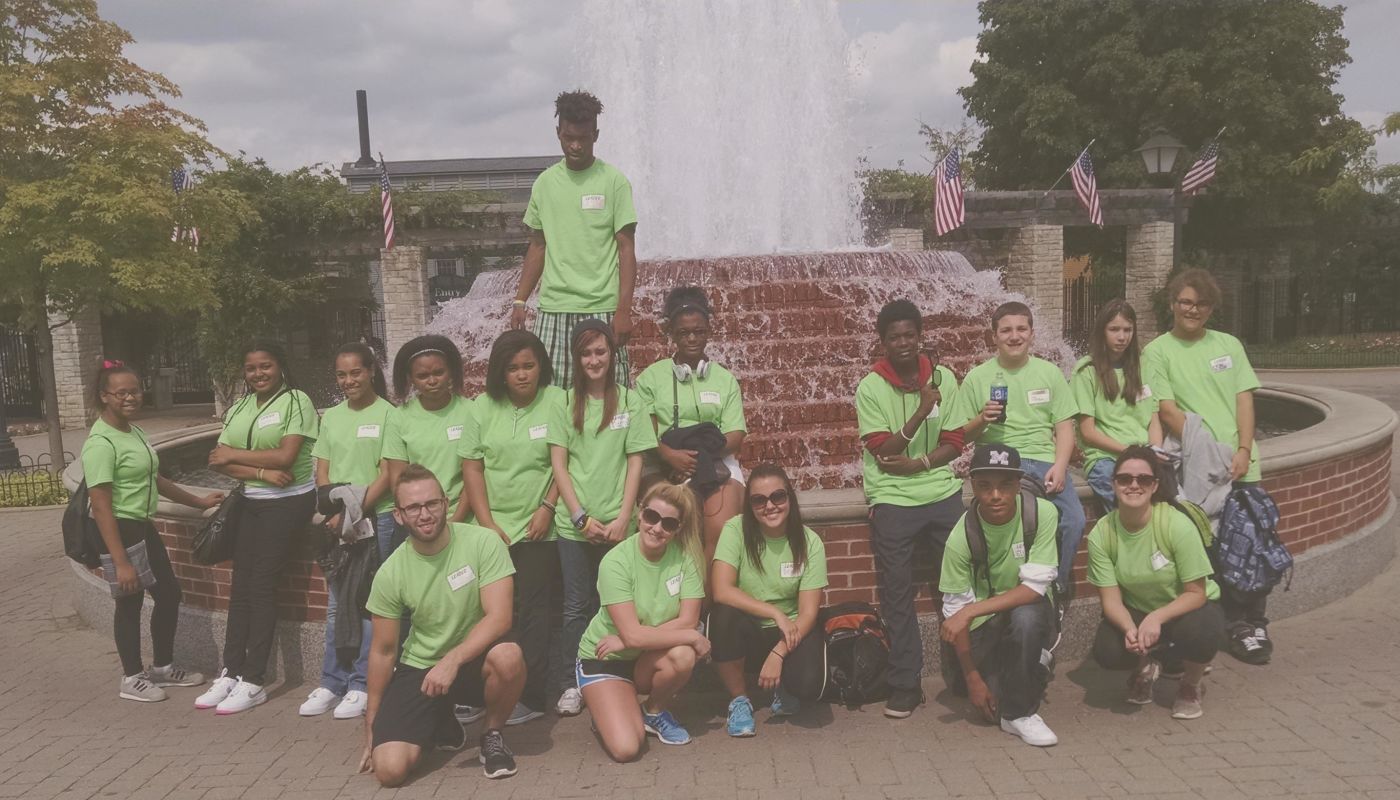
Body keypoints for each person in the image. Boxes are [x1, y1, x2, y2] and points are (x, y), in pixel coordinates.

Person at [359, 465, 525, 786]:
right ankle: (440, 721)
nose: (425, 514)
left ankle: (491, 735)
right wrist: (371, 721)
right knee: (390, 771)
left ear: (446, 504)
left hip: (475, 658)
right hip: (421, 665)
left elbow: (500, 617)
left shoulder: (483, 542)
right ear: (398, 516)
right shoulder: (390, 573)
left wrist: (453, 659)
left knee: (509, 656)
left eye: (432, 503)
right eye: (413, 507)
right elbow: (383, 651)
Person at [1143, 268, 1268, 663]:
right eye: (1185, 302)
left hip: (1241, 463)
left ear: (1211, 308)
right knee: (1211, 549)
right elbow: (1166, 409)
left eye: (1201, 304)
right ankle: (1231, 626)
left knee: (1251, 543)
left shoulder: (1229, 345)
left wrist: (1243, 449)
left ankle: (1255, 623)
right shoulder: (1157, 351)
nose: (1192, 310)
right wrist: (1214, 453)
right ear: (1172, 304)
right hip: (1202, 469)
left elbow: (1244, 399)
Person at [81, 360, 222, 702]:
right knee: (129, 600)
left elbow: (154, 479)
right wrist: (121, 562)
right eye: (121, 393)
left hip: (141, 525)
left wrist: (198, 501)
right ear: (104, 396)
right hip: (119, 528)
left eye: (135, 391)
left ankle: (162, 667)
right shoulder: (100, 443)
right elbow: (100, 506)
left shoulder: (133, 432)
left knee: (169, 594)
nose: (130, 398)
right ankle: (131, 678)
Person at [855, 299, 965, 718]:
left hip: (940, 490)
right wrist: (921, 410)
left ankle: (964, 669)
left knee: (960, 583)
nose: (903, 343)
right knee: (897, 592)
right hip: (891, 497)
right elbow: (884, 451)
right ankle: (906, 682)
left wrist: (919, 463)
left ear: (920, 336)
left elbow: (954, 442)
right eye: (894, 337)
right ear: (882, 342)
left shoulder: (945, 378)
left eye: (909, 335)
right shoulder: (870, 388)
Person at [196, 341, 319, 714]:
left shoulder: (297, 401)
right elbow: (217, 461)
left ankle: (254, 680)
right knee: (241, 587)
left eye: (265, 366)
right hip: (252, 500)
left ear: (279, 366)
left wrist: (236, 455)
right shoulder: (239, 407)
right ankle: (231, 671)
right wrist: (262, 473)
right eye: (251, 368)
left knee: (262, 585)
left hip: (289, 502)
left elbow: (287, 456)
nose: (258, 373)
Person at [548, 319, 656, 717]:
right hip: (574, 526)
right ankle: (571, 681)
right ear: (576, 359)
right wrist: (580, 518)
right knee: (576, 605)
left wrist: (625, 517)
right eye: (586, 353)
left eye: (600, 352)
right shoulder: (563, 403)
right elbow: (559, 465)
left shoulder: (630, 402)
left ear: (612, 355)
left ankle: (615, 674)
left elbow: (636, 462)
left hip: (619, 524)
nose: (594, 360)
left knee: (616, 601)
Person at [461, 330, 564, 726]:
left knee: (535, 613)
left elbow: (566, 461)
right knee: (481, 611)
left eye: (529, 366)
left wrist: (547, 508)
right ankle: (476, 691)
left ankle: (531, 697)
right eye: (513, 368)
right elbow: (472, 468)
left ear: (541, 367)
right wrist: (487, 524)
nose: (522, 375)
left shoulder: (557, 401)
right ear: (500, 372)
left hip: (538, 528)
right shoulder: (481, 407)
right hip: (490, 531)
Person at [946, 302, 1085, 593]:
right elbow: (961, 435)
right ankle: (1003, 590)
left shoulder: (1049, 373)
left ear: (1032, 334)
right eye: (1006, 330)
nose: (1014, 336)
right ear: (994, 336)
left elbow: (1064, 427)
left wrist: (1061, 466)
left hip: (1044, 461)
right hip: (998, 462)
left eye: (1021, 329)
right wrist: (982, 419)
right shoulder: (977, 378)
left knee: (1074, 520)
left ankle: (1053, 589)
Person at [510, 89, 638, 387]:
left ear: (596, 135)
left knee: (610, 395)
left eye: (584, 138)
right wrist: (520, 300)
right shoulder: (544, 184)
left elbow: (626, 248)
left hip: (602, 307)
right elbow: (538, 246)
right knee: (551, 395)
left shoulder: (614, 182)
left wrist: (623, 310)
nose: (576, 145)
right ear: (558, 133)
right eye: (569, 138)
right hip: (554, 308)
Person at [1087, 446, 1224, 720]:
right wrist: (1129, 629)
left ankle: (1191, 684)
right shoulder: (1102, 532)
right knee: (1108, 651)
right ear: (1113, 484)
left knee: (1203, 632)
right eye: (1124, 479)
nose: (1133, 485)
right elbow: (1111, 601)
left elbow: (1196, 593)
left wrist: (1156, 618)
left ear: (1155, 486)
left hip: (1185, 607)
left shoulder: (1176, 524)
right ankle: (1145, 666)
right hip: (1138, 608)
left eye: (1143, 479)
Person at [576, 483, 709, 760]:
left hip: (642, 653)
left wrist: (630, 638)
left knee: (683, 655)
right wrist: (690, 635)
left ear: (678, 529)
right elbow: (684, 630)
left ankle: (653, 711)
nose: (657, 528)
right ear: (640, 513)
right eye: (652, 517)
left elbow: (688, 619)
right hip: (606, 658)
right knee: (626, 748)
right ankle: (605, 712)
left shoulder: (687, 559)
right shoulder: (615, 562)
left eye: (668, 523)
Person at [939, 444, 1060, 748]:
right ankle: (1034, 663)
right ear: (972, 486)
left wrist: (970, 611)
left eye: (1005, 485)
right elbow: (956, 611)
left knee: (1027, 618)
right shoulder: (961, 537)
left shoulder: (1041, 513)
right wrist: (972, 679)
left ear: (1019, 484)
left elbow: (1034, 589)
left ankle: (1020, 714)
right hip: (985, 625)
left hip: (1027, 611)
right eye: (985, 485)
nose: (995, 495)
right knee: (987, 707)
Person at [301, 343, 396, 720]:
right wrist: (334, 511)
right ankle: (331, 680)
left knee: (369, 602)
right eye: (341, 375)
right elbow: (322, 472)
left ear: (371, 371)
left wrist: (353, 512)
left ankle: (360, 683)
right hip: (337, 518)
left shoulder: (389, 414)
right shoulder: (332, 417)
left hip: (376, 517)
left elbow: (388, 473)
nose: (348, 380)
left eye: (356, 372)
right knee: (337, 602)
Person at [710, 464, 828, 736]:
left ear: (790, 497)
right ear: (749, 505)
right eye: (759, 500)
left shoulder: (810, 542)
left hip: (791, 630)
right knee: (723, 615)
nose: (770, 506)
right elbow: (721, 590)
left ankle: (784, 686)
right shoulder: (735, 530)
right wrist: (775, 613)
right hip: (749, 627)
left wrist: (778, 653)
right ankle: (739, 700)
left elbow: (808, 614)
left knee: (809, 684)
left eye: (778, 496)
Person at [635, 286, 746, 565]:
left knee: (720, 530)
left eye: (699, 331)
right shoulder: (651, 378)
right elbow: (645, 431)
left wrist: (698, 459)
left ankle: (706, 592)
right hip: (661, 459)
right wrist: (669, 455)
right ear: (671, 333)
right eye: (684, 333)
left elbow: (735, 435)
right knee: (666, 526)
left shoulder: (725, 380)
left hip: (716, 459)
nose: (692, 338)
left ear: (708, 331)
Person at [1072, 300, 1163, 511]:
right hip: (1105, 458)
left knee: (1171, 502)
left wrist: (1155, 452)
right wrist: (1130, 452)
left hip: (1143, 454)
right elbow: (1088, 432)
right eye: (1114, 329)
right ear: (1102, 331)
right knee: (1130, 507)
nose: (1122, 337)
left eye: (1127, 330)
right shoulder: (1087, 371)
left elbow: (1154, 419)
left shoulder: (1144, 366)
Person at [383, 335, 473, 535]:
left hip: (465, 519)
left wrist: (455, 520)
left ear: (450, 371)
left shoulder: (471, 412)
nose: (432, 381)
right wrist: (420, 519)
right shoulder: (399, 418)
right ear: (411, 379)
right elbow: (397, 478)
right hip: (420, 521)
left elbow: (475, 473)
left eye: (439, 372)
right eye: (423, 376)